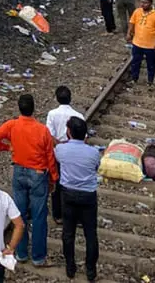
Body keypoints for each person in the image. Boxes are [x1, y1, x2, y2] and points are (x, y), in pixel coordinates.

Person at [0, 94, 57, 267]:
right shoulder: (42, 130)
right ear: (34, 108)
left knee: (19, 213)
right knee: (39, 216)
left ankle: (21, 253)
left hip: (18, 172)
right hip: (38, 174)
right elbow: (50, 156)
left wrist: (6, 147)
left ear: (19, 108)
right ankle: (38, 257)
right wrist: (54, 177)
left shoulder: (12, 125)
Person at [55, 117, 101, 282]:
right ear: (85, 135)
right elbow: (96, 168)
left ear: (68, 132)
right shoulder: (94, 152)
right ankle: (90, 270)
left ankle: (70, 267)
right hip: (88, 196)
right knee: (90, 233)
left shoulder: (60, 150)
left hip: (68, 194)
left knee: (68, 233)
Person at [45, 85, 85, 223]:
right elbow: (82, 137)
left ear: (57, 98)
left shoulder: (52, 114)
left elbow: (49, 135)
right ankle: (76, 215)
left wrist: (59, 145)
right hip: (74, 153)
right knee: (74, 182)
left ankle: (58, 214)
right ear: (70, 98)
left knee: (57, 182)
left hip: (57, 152)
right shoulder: (78, 116)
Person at [127, 0, 155, 88]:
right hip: (137, 43)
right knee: (135, 62)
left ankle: (150, 81)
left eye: (145, 3)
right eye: (141, 2)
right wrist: (129, 33)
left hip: (150, 46)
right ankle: (134, 79)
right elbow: (132, 22)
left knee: (150, 64)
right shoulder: (137, 11)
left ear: (151, 3)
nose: (143, 4)